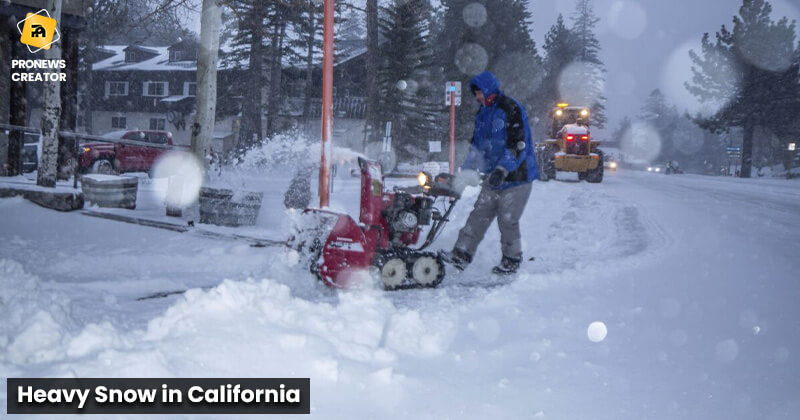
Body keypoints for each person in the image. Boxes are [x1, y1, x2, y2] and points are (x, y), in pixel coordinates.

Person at [440, 71, 538, 275]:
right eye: (475, 94)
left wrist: (503, 169)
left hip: (517, 177)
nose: (477, 97)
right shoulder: (483, 113)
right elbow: (477, 148)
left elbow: (518, 146)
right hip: (493, 176)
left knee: (507, 219)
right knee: (479, 214)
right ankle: (461, 254)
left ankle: (511, 261)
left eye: (479, 93)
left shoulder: (510, 109)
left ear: (488, 90)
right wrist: (466, 172)